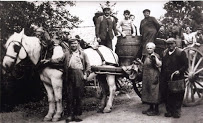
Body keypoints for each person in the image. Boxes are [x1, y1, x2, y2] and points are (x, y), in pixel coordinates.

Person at [45, 38, 91, 122]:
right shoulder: (66, 54)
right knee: (69, 96)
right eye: (72, 44)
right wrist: (48, 61)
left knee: (78, 95)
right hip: (69, 75)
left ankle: (77, 115)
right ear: (70, 45)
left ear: (78, 44)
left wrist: (86, 74)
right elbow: (58, 60)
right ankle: (70, 115)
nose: (74, 45)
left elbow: (88, 65)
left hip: (79, 74)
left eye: (75, 43)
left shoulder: (83, 54)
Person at [160, 38, 188, 118]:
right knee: (167, 95)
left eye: (171, 44)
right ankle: (169, 111)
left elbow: (185, 65)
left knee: (178, 95)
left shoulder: (180, 52)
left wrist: (179, 71)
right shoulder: (165, 53)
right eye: (168, 44)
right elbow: (163, 66)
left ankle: (177, 112)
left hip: (177, 77)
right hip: (167, 77)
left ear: (175, 44)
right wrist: (161, 77)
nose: (170, 45)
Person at [141, 42, 162, 116]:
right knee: (148, 92)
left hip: (153, 76)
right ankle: (150, 108)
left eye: (151, 48)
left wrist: (155, 59)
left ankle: (156, 110)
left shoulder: (155, 56)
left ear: (154, 49)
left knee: (154, 92)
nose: (149, 49)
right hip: (147, 77)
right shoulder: (147, 56)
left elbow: (159, 64)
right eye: (148, 48)